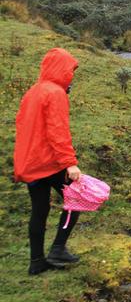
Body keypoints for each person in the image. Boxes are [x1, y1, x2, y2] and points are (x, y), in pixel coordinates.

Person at [14, 48, 83, 276]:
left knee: (39, 210)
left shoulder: (33, 92)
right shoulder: (55, 93)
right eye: (70, 70)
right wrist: (69, 163)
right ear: (62, 69)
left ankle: (36, 261)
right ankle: (58, 248)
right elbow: (58, 131)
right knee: (77, 199)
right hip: (48, 162)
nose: (71, 75)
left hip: (30, 163)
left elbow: (24, 127)